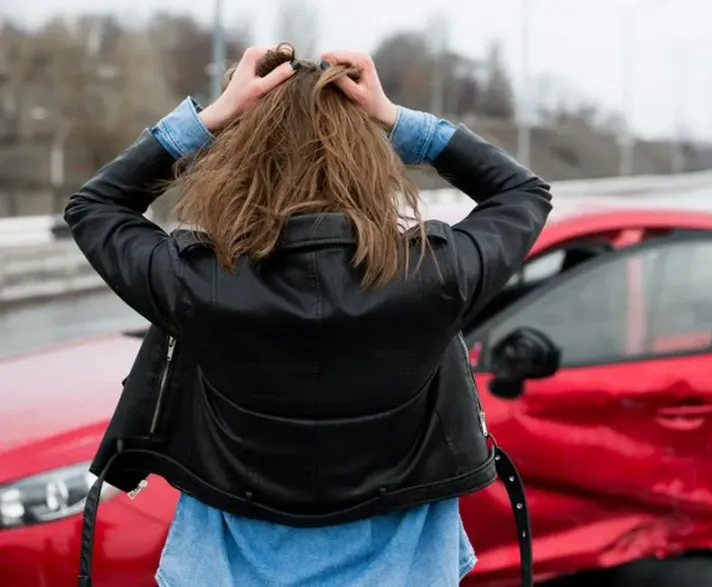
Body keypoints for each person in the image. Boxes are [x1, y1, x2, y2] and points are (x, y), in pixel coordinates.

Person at [64, 43, 551, 586]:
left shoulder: (194, 282)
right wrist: (394, 119)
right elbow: (522, 192)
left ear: (240, 162)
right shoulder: (436, 277)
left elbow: (94, 207)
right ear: (369, 161)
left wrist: (213, 117)